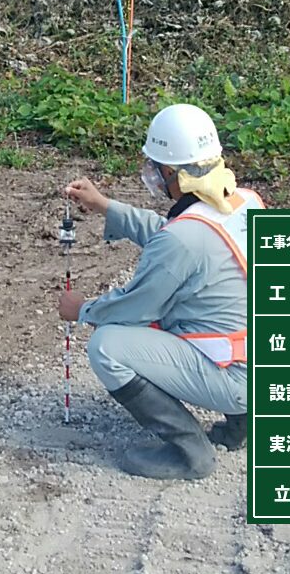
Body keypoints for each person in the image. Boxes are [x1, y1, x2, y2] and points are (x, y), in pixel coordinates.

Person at [61, 103, 262, 479]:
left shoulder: (184, 239)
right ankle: (241, 427)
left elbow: (135, 307)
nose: (152, 175)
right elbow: (176, 234)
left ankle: (189, 452)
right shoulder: (242, 202)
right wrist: (106, 206)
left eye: (156, 167)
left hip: (237, 379)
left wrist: (83, 309)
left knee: (107, 346)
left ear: (174, 173)